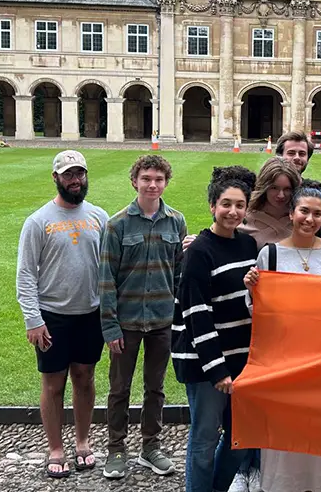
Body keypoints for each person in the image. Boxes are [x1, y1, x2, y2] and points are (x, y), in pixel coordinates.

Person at [240, 187, 321, 492]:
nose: (309, 219)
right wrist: (252, 291)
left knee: (320, 437)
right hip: (282, 358)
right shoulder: (270, 253)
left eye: (317, 213)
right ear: (291, 214)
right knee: (282, 436)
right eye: (304, 211)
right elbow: (259, 313)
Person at [15, 150, 109, 479]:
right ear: (55, 178)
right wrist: (33, 319)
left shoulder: (99, 216)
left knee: (85, 378)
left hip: (90, 313)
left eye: (80, 173)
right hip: (52, 315)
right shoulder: (38, 221)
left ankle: (83, 442)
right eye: (68, 174)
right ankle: (55, 448)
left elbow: (109, 268)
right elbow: (25, 274)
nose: (75, 180)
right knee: (53, 385)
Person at [99, 155, 187, 480]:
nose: (152, 184)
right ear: (134, 180)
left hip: (162, 320)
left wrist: (178, 318)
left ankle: (150, 446)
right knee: (119, 389)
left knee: (156, 387)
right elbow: (105, 279)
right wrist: (109, 326)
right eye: (146, 178)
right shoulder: (117, 224)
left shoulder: (176, 222)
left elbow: (179, 274)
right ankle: (116, 449)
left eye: (158, 179)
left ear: (166, 183)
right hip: (127, 323)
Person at [172, 166, 259, 492]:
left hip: (241, 357)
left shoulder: (248, 246)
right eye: (226, 204)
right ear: (212, 206)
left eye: (239, 205)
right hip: (206, 361)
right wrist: (217, 369)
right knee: (205, 439)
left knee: (242, 439)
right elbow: (197, 314)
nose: (232, 211)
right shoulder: (198, 252)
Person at [239, 157, 301, 247]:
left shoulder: (301, 218)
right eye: (274, 188)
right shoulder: (245, 218)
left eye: (287, 189)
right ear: (265, 187)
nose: (281, 195)